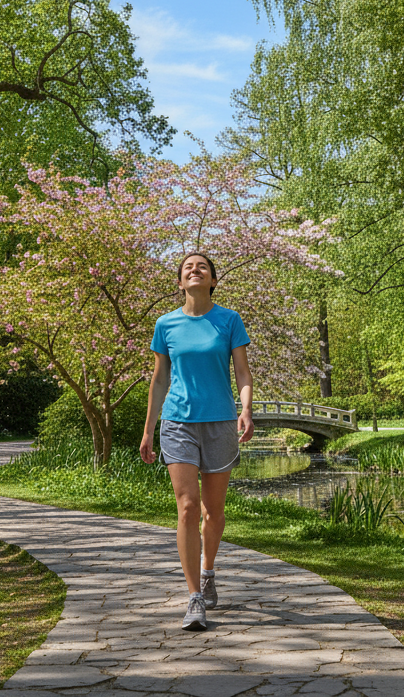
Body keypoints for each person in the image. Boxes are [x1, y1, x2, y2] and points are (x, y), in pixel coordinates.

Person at [140, 252, 254, 632]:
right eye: (187, 266)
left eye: (202, 266)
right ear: (180, 282)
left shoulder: (228, 320)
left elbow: (242, 371)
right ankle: (194, 598)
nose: (194, 269)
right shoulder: (166, 324)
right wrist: (147, 430)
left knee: (213, 511)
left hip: (220, 423)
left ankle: (208, 572)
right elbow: (159, 381)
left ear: (212, 280)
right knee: (188, 507)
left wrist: (246, 409)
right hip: (178, 424)